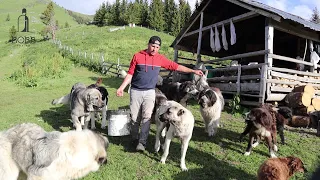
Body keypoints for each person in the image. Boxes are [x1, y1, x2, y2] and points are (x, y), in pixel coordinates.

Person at [116, 36, 203, 152]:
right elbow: (130, 74)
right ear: (148, 44)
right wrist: (122, 87)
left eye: (157, 47)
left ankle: (142, 143)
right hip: (136, 91)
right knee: (135, 117)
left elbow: (176, 66)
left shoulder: (160, 59)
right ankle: (134, 138)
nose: (154, 49)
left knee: (147, 117)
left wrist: (193, 71)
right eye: (153, 46)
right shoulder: (137, 56)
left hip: (150, 92)